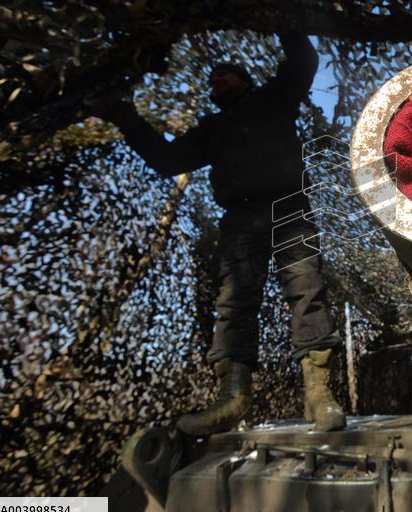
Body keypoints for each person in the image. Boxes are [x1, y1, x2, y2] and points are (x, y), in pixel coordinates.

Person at [92, 34, 346, 435]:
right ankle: (233, 399)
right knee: (234, 301)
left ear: (244, 79)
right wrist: (127, 119)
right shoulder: (211, 128)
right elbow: (167, 159)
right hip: (240, 219)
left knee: (307, 289)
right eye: (212, 81)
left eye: (224, 75)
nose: (217, 82)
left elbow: (303, 60)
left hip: (288, 207)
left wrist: (284, 24)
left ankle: (319, 395)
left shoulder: (275, 98)